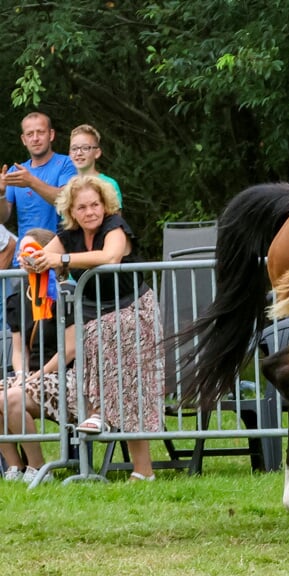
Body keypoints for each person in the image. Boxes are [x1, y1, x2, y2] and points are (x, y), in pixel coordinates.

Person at [26, 175, 163, 481]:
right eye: (83, 207)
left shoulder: (115, 226)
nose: (90, 212)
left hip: (132, 312)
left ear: (105, 206)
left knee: (129, 387)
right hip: (95, 320)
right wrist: (33, 261)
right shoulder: (67, 234)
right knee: (94, 342)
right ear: (72, 212)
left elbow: (110, 257)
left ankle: (139, 465)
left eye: (95, 205)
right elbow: (43, 256)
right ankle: (96, 415)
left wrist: (59, 259)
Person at [0, 228, 74, 484]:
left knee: (10, 398)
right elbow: (20, 350)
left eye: (33, 252)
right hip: (32, 376)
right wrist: (22, 375)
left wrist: (37, 376)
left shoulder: (67, 293)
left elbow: (71, 349)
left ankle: (39, 467)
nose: (26, 259)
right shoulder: (18, 299)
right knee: (6, 393)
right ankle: (14, 467)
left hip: (66, 376)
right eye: (23, 253)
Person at [0, 112, 77, 238]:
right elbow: (2, 218)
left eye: (40, 132)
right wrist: (1, 195)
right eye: (29, 134)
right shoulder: (16, 171)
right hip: (24, 253)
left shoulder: (66, 163)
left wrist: (31, 182)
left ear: (51, 135)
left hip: (56, 252)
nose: (35, 138)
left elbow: (67, 200)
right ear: (24, 140)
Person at [68, 124, 122, 207]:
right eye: (74, 149)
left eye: (85, 148)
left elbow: (116, 219)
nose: (79, 153)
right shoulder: (68, 186)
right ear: (69, 154)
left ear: (97, 153)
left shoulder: (109, 184)